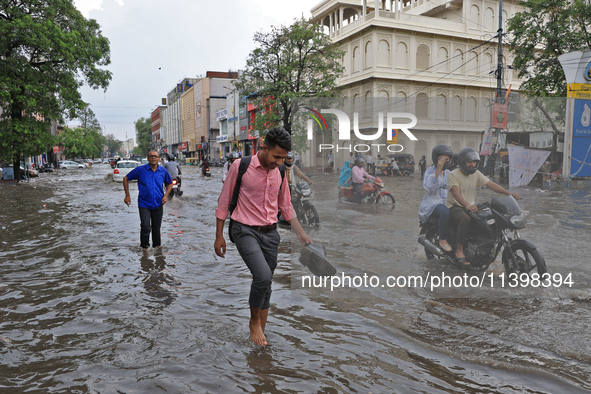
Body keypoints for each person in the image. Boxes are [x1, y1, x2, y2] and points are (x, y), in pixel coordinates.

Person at [214, 127, 312, 346]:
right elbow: (223, 201)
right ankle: (254, 322)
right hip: (244, 230)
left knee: (266, 284)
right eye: (276, 156)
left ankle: (261, 339)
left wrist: (302, 235)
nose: (279, 161)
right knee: (263, 276)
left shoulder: (279, 172)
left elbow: (285, 206)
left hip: (271, 234)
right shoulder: (241, 166)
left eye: (283, 158)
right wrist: (218, 235)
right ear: (263, 147)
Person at [446, 147, 520, 266]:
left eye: (474, 162)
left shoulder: (476, 174)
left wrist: (509, 193)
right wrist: (467, 205)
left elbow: (491, 184)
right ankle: (459, 251)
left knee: (489, 217)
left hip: (471, 205)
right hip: (456, 206)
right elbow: (456, 194)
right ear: (462, 162)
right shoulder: (453, 175)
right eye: (469, 162)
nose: (472, 164)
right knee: (465, 219)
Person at [123, 150, 173, 250]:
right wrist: (127, 195)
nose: (153, 158)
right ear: (147, 158)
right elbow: (125, 178)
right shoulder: (141, 170)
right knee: (145, 226)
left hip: (158, 203)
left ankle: (157, 249)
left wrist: (166, 195)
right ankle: (144, 249)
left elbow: (170, 183)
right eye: (151, 156)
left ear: (159, 159)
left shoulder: (163, 171)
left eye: (155, 156)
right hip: (144, 203)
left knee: (156, 227)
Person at [418, 145, 454, 252]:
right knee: (445, 212)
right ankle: (443, 240)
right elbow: (430, 188)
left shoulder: (448, 173)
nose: (444, 162)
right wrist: (438, 169)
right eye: (441, 159)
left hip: (447, 201)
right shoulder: (430, 171)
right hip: (433, 203)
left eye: (446, 159)